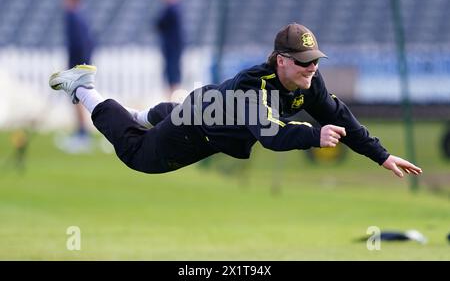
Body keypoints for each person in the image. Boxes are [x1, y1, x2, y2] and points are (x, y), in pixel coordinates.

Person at [49, 23, 422, 178]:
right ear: (281, 60)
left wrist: (382, 155)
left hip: (205, 107)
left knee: (158, 116)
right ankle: (83, 87)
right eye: (304, 62)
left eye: (315, 62)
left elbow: (341, 116)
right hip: (194, 128)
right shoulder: (253, 87)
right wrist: (313, 135)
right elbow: (272, 135)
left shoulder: (309, 82)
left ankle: (136, 113)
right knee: (136, 155)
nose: (312, 68)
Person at [61, 0, 95, 153]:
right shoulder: (81, 17)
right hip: (81, 64)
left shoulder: (73, 17)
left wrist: (76, 68)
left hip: (78, 65)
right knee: (79, 98)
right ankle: (81, 133)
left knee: (77, 99)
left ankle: (82, 135)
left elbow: (79, 45)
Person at [155, 0, 184, 97]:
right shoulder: (172, 8)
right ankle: (173, 94)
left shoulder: (172, 9)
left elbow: (159, 24)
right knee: (172, 71)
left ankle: (174, 95)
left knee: (172, 72)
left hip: (172, 46)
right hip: (171, 46)